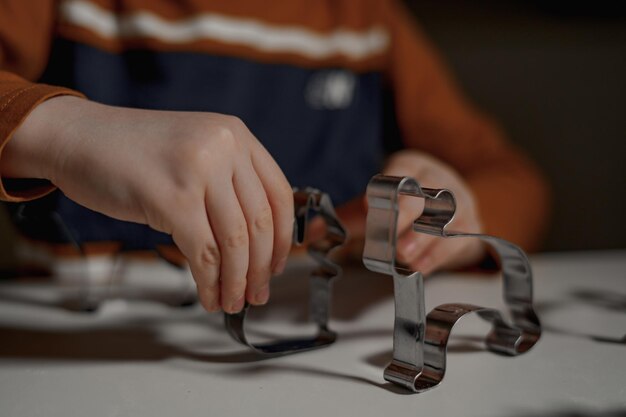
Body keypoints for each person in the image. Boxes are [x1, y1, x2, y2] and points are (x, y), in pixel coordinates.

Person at [0, 0, 550, 314]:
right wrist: (63, 131)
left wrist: (453, 217)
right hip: (69, 341)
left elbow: (515, 180)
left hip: (306, 344)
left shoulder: (365, 19)